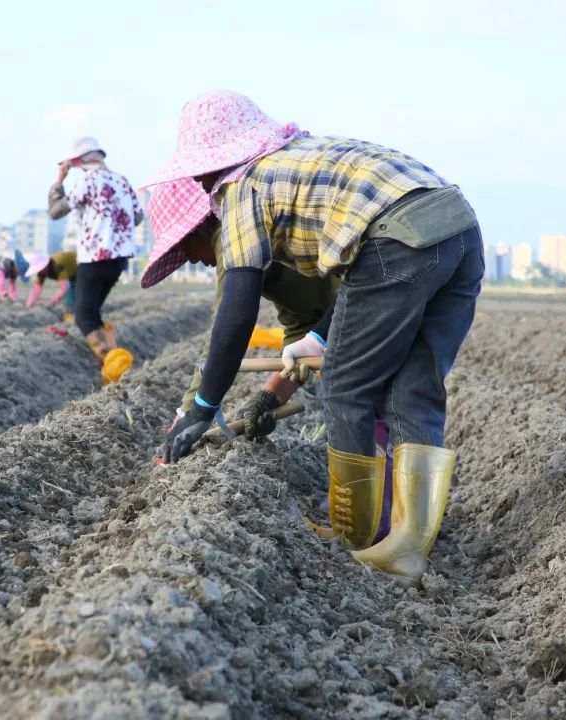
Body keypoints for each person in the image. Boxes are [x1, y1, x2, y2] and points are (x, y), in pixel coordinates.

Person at [143, 91, 484, 583]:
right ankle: (407, 548)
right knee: (415, 389)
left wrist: (201, 407)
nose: (200, 182)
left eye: (200, 173)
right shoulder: (300, 165)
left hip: (398, 237)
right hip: (458, 225)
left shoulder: (242, 190)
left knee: (347, 390)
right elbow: (358, 288)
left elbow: (235, 315)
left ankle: (355, 536)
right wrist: (294, 368)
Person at [146, 177, 338, 440]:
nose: (190, 259)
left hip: (374, 299)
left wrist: (191, 412)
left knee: (363, 405)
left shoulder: (232, 238)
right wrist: (268, 398)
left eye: (182, 247)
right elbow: (303, 326)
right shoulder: (271, 260)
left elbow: (225, 329)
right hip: (354, 312)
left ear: (198, 229)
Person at [48, 137, 143, 362]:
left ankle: (114, 365)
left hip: (94, 258)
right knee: (92, 313)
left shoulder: (87, 182)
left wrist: (59, 180)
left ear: (79, 161)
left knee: (83, 317)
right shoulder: (122, 181)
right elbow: (137, 217)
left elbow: (55, 211)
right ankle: (113, 362)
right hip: (118, 260)